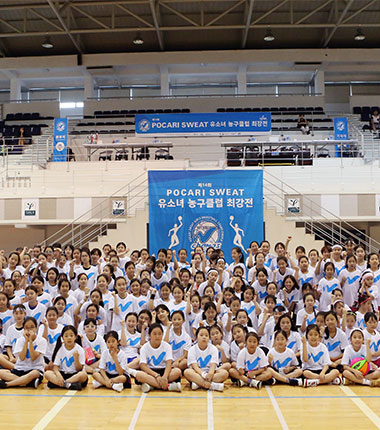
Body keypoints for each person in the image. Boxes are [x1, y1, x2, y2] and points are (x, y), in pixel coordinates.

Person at [0, 317, 46, 389]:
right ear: (23, 329)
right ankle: (28, 382)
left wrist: (30, 341)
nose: (29, 330)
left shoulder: (42, 341)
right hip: (20, 369)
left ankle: (7, 384)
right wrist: (26, 341)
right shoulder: (20, 340)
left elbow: (33, 357)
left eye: (32, 327)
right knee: (1, 372)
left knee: (35, 373)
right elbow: (22, 358)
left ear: (36, 328)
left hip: (34, 369)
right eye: (26, 328)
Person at [135, 323, 182, 393]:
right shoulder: (144, 347)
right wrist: (156, 376)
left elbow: (169, 363)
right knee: (139, 375)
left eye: (160, 334)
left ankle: (152, 385)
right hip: (151, 372)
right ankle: (169, 386)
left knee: (177, 371)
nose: (157, 336)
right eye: (154, 334)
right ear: (149, 335)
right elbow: (143, 366)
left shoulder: (167, 346)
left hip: (164, 371)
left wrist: (165, 377)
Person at [184, 326, 228, 391]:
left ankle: (198, 384)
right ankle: (212, 385)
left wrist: (210, 374)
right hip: (198, 373)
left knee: (224, 373)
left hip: (211, 373)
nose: (204, 337)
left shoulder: (213, 348)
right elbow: (195, 367)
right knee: (187, 372)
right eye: (201, 335)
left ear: (209, 338)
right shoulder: (192, 349)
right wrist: (203, 375)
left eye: (206, 335)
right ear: (197, 337)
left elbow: (213, 365)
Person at [45, 325, 88, 390]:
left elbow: (79, 369)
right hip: (63, 374)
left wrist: (76, 359)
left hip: (74, 375)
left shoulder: (80, 349)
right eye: (66, 336)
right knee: (47, 373)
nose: (69, 338)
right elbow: (56, 367)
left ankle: (63, 383)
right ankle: (69, 385)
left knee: (83, 375)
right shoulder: (60, 349)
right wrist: (59, 375)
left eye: (71, 335)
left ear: (75, 337)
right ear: (62, 338)